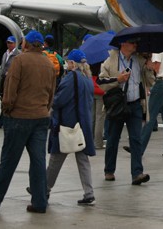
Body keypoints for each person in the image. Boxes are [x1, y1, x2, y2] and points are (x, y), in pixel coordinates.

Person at [0, 30, 56, 213]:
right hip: (41, 116)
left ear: (26, 44)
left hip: (20, 116)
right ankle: (40, 201)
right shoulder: (48, 63)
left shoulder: (20, 61)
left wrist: (7, 109)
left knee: (9, 161)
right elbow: (51, 93)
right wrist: (44, 108)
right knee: (38, 162)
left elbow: (10, 90)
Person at [44, 49, 96, 206]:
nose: (66, 65)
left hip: (67, 124)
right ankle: (89, 193)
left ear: (73, 63)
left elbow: (59, 100)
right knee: (82, 160)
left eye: (68, 62)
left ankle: (44, 189)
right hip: (83, 125)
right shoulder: (87, 78)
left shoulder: (71, 78)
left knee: (56, 157)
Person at [99, 37, 153, 185]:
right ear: (123, 44)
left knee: (136, 139)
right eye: (132, 42)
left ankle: (137, 173)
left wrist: (149, 68)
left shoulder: (139, 60)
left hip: (135, 104)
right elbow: (102, 83)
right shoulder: (110, 60)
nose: (135, 45)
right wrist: (118, 79)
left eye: (136, 42)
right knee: (113, 139)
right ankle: (109, 170)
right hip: (117, 105)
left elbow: (151, 82)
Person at [139, 48, 163, 157]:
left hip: (161, 83)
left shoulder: (158, 50)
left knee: (150, 117)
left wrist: (148, 64)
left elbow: (157, 67)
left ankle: (139, 147)